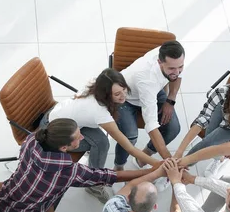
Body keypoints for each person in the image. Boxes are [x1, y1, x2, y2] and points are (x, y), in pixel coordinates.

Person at [0, 118, 156, 212]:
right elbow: (110, 176)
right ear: (64, 148)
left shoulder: (33, 139)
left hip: (7, 195)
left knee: (63, 186)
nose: (82, 137)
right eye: (78, 137)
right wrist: (153, 170)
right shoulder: (66, 171)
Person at [40, 68, 158, 203]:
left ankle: (94, 171)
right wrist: (157, 164)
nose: (123, 96)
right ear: (106, 95)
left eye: (124, 89)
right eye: (117, 94)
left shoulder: (97, 83)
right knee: (101, 144)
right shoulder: (99, 112)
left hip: (63, 118)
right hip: (55, 132)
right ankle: (93, 185)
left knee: (101, 142)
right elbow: (129, 147)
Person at [114, 41, 184, 175]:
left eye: (180, 66)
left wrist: (171, 100)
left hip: (155, 91)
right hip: (125, 98)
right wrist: (170, 162)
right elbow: (151, 126)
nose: (176, 72)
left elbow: (178, 76)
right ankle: (118, 167)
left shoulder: (175, 60)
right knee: (130, 136)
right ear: (159, 62)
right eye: (171, 69)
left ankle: (142, 158)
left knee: (173, 128)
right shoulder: (147, 80)